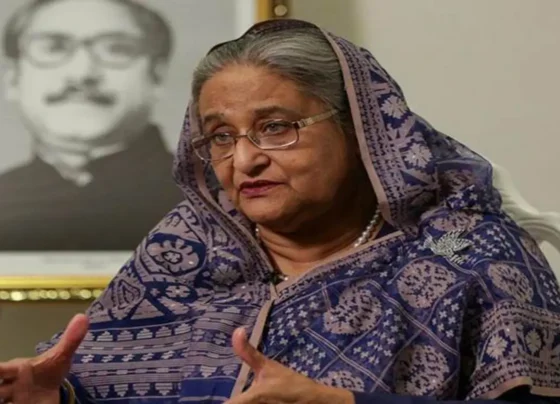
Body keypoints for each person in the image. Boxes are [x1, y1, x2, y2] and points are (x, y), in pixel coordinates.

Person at [1, 18, 559, 404]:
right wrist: (58, 398)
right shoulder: (184, 249)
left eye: (275, 127)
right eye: (220, 136)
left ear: (358, 129)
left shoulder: (468, 254)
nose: (244, 160)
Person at [0, 0, 183, 251]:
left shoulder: (217, 201)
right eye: (53, 47)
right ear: (12, 79)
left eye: (116, 49)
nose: (82, 73)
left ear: (157, 77)